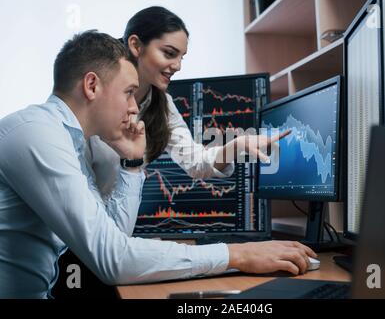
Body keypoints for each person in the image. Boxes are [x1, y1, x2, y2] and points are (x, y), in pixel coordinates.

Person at [0, 30, 316, 299]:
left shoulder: (67, 140)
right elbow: (112, 260)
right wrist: (238, 254)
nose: (135, 107)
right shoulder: (37, 134)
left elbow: (114, 237)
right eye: (128, 92)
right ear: (92, 85)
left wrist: (133, 164)